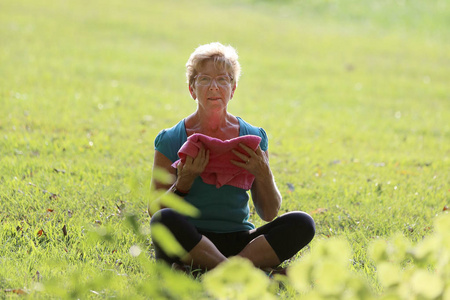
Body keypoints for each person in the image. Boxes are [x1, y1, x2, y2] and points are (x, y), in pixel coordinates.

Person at [149, 42, 315, 272]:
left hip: (240, 240)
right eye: (204, 79)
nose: (214, 87)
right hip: (192, 236)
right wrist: (184, 181)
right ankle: (247, 272)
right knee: (163, 220)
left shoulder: (253, 137)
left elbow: (269, 213)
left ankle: (208, 270)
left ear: (233, 89)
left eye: (223, 79)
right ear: (191, 89)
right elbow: (155, 210)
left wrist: (263, 172)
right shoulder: (170, 139)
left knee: (303, 223)